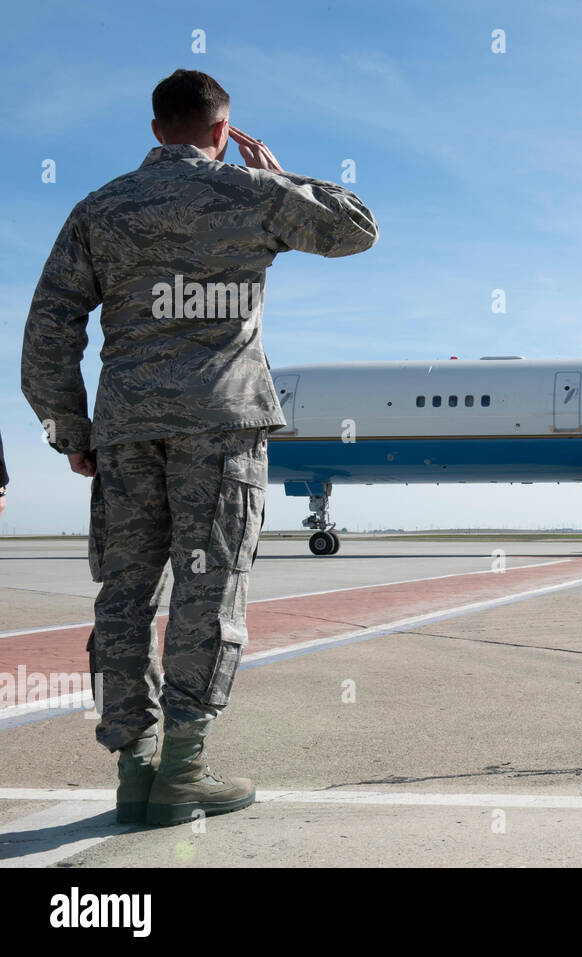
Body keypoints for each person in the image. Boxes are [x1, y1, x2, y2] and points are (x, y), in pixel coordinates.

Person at [21, 69, 378, 826]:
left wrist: (70, 431)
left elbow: (47, 331)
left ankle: (134, 771)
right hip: (220, 426)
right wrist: (278, 177)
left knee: (123, 596)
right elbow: (356, 227)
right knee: (206, 592)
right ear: (223, 130)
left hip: (124, 431)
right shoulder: (250, 195)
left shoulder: (100, 209)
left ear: (156, 131)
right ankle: (184, 770)